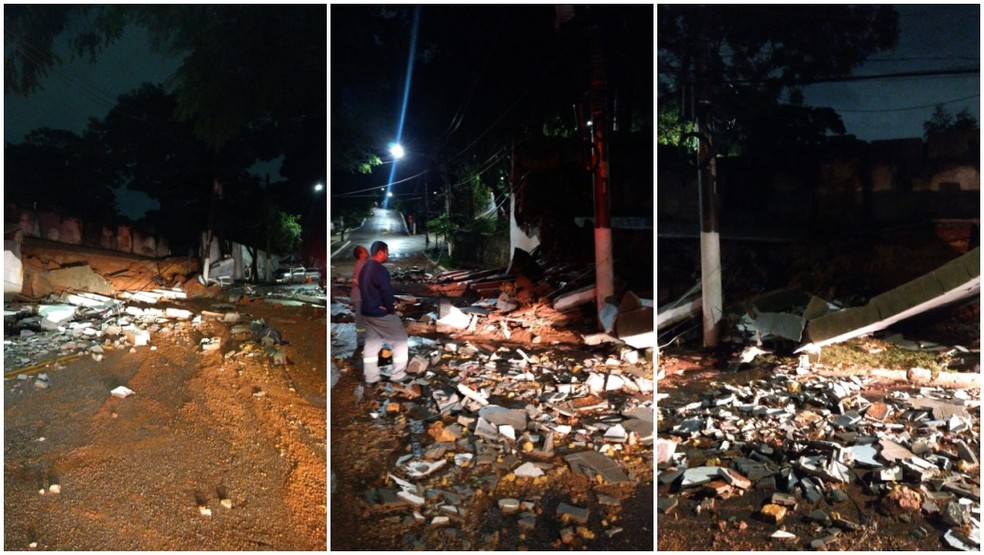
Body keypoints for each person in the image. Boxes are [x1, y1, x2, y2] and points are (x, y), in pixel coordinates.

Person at [358, 241, 409, 385]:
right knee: (401, 341)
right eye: (387, 252)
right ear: (381, 252)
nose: (388, 255)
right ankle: (398, 374)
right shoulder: (379, 270)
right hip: (380, 313)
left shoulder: (365, 268)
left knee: (372, 343)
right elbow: (386, 292)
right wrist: (390, 308)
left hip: (367, 312)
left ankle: (371, 376)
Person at [350, 245, 369, 350]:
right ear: (360, 254)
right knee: (361, 320)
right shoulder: (360, 265)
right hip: (360, 296)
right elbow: (358, 282)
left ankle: (363, 340)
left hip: (361, 296)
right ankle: (361, 341)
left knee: (363, 319)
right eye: (364, 250)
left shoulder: (363, 264)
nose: (367, 251)